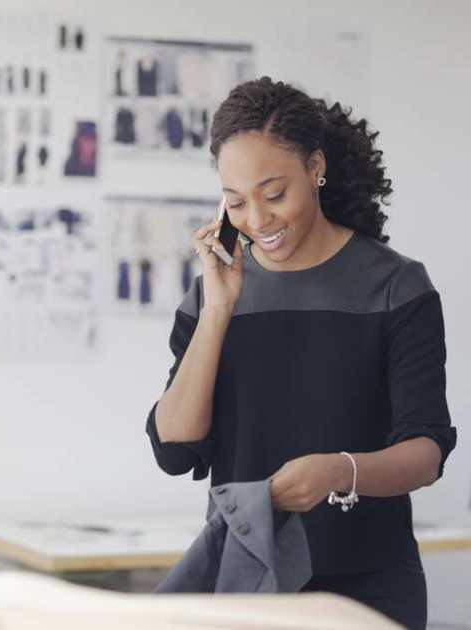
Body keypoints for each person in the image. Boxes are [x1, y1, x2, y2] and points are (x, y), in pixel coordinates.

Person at [146, 77, 456, 630]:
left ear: (315, 168)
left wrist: (342, 471)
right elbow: (175, 449)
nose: (257, 220)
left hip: (367, 590)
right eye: (236, 202)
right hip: (249, 585)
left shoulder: (395, 287)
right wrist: (219, 308)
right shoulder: (211, 295)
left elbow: (425, 452)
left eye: (274, 194)